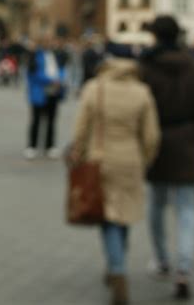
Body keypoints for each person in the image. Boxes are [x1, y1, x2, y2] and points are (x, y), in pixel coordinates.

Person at [140, 16, 194, 301]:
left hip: (156, 141)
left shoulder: (146, 67)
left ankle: (162, 260)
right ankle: (184, 269)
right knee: (187, 209)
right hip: (187, 141)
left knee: (157, 204)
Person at [72, 56, 160, 305]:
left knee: (108, 216)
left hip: (99, 159)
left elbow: (80, 128)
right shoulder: (142, 92)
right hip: (130, 159)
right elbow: (152, 136)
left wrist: (78, 152)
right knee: (123, 214)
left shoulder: (94, 88)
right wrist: (145, 159)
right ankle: (116, 262)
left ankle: (117, 271)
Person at [24, 36, 68, 159]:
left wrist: (60, 79)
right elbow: (34, 74)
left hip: (54, 91)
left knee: (51, 120)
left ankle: (50, 146)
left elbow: (61, 69)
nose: (49, 43)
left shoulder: (56, 55)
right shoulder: (34, 56)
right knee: (36, 120)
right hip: (39, 92)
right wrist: (51, 80)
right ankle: (32, 146)